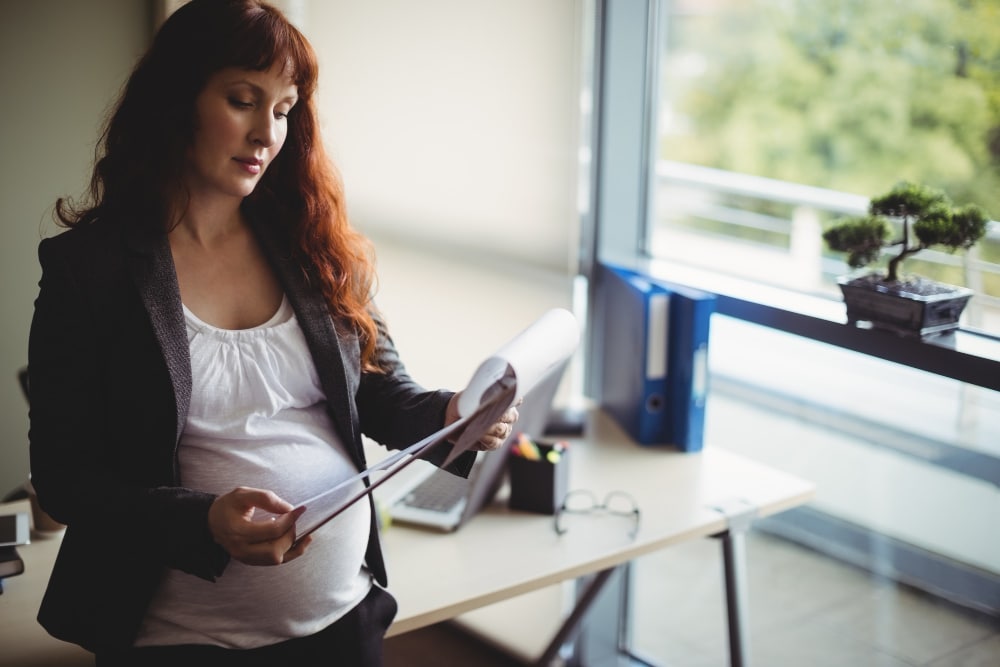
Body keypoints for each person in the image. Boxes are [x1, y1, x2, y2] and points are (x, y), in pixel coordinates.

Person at [26, 1, 518, 665]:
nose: (266, 133)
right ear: (176, 102)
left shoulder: (313, 244)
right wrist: (200, 519)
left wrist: (454, 414)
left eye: (284, 109)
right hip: (180, 641)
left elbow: (378, 390)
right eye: (242, 99)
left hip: (341, 617)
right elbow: (64, 479)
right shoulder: (91, 269)